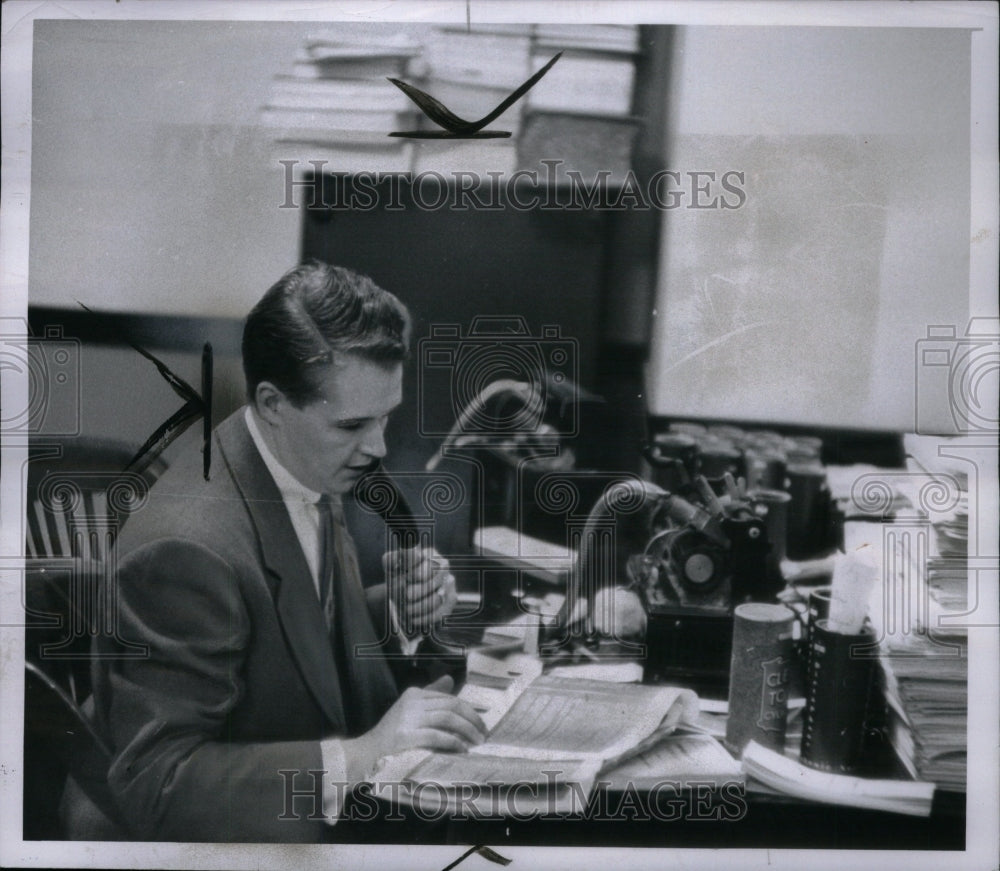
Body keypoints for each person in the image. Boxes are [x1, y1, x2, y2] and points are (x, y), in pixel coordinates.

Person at [61, 262, 487, 842]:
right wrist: (361, 757)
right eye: (354, 424)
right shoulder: (184, 551)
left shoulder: (298, 458)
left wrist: (392, 614)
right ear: (273, 403)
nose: (377, 446)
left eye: (385, 416)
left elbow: (283, 632)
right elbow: (158, 785)